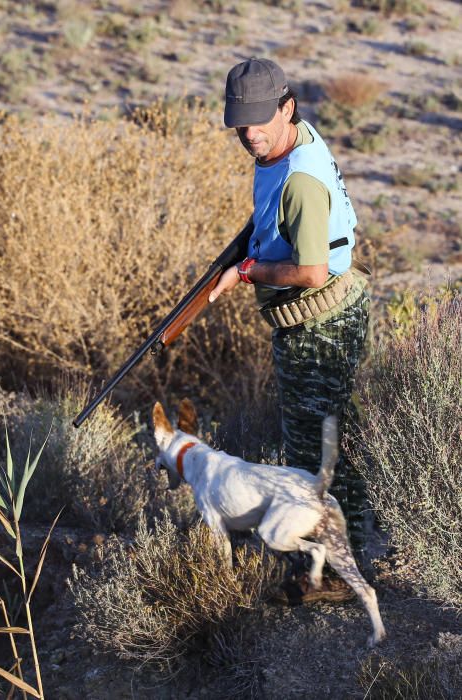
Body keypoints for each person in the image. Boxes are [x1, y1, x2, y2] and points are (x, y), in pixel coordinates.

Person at [208, 58, 371, 601]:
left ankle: (335, 575)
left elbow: (310, 271)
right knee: (317, 440)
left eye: (259, 120)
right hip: (314, 318)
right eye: (240, 122)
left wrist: (247, 270)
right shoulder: (286, 143)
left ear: (287, 107)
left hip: (319, 320)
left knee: (312, 452)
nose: (249, 133)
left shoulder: (300, 176)